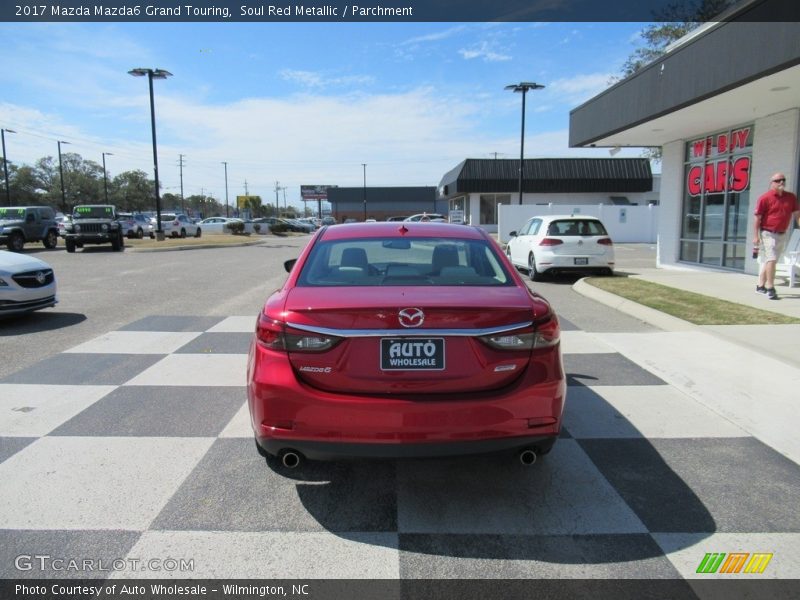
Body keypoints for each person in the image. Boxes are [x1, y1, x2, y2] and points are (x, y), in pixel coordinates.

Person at [753, 172, 800, 300]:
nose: (781, 182)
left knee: (770, 260)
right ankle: (770, 288)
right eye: (778, 180)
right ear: (772, 183)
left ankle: (760, 286)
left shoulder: (791, 197)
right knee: (772, 259)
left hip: (782, 233)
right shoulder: (765, 198)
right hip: (768, 233)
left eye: (783, 180)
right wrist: (755, 236)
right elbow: (757, 219)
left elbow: (797, 215)